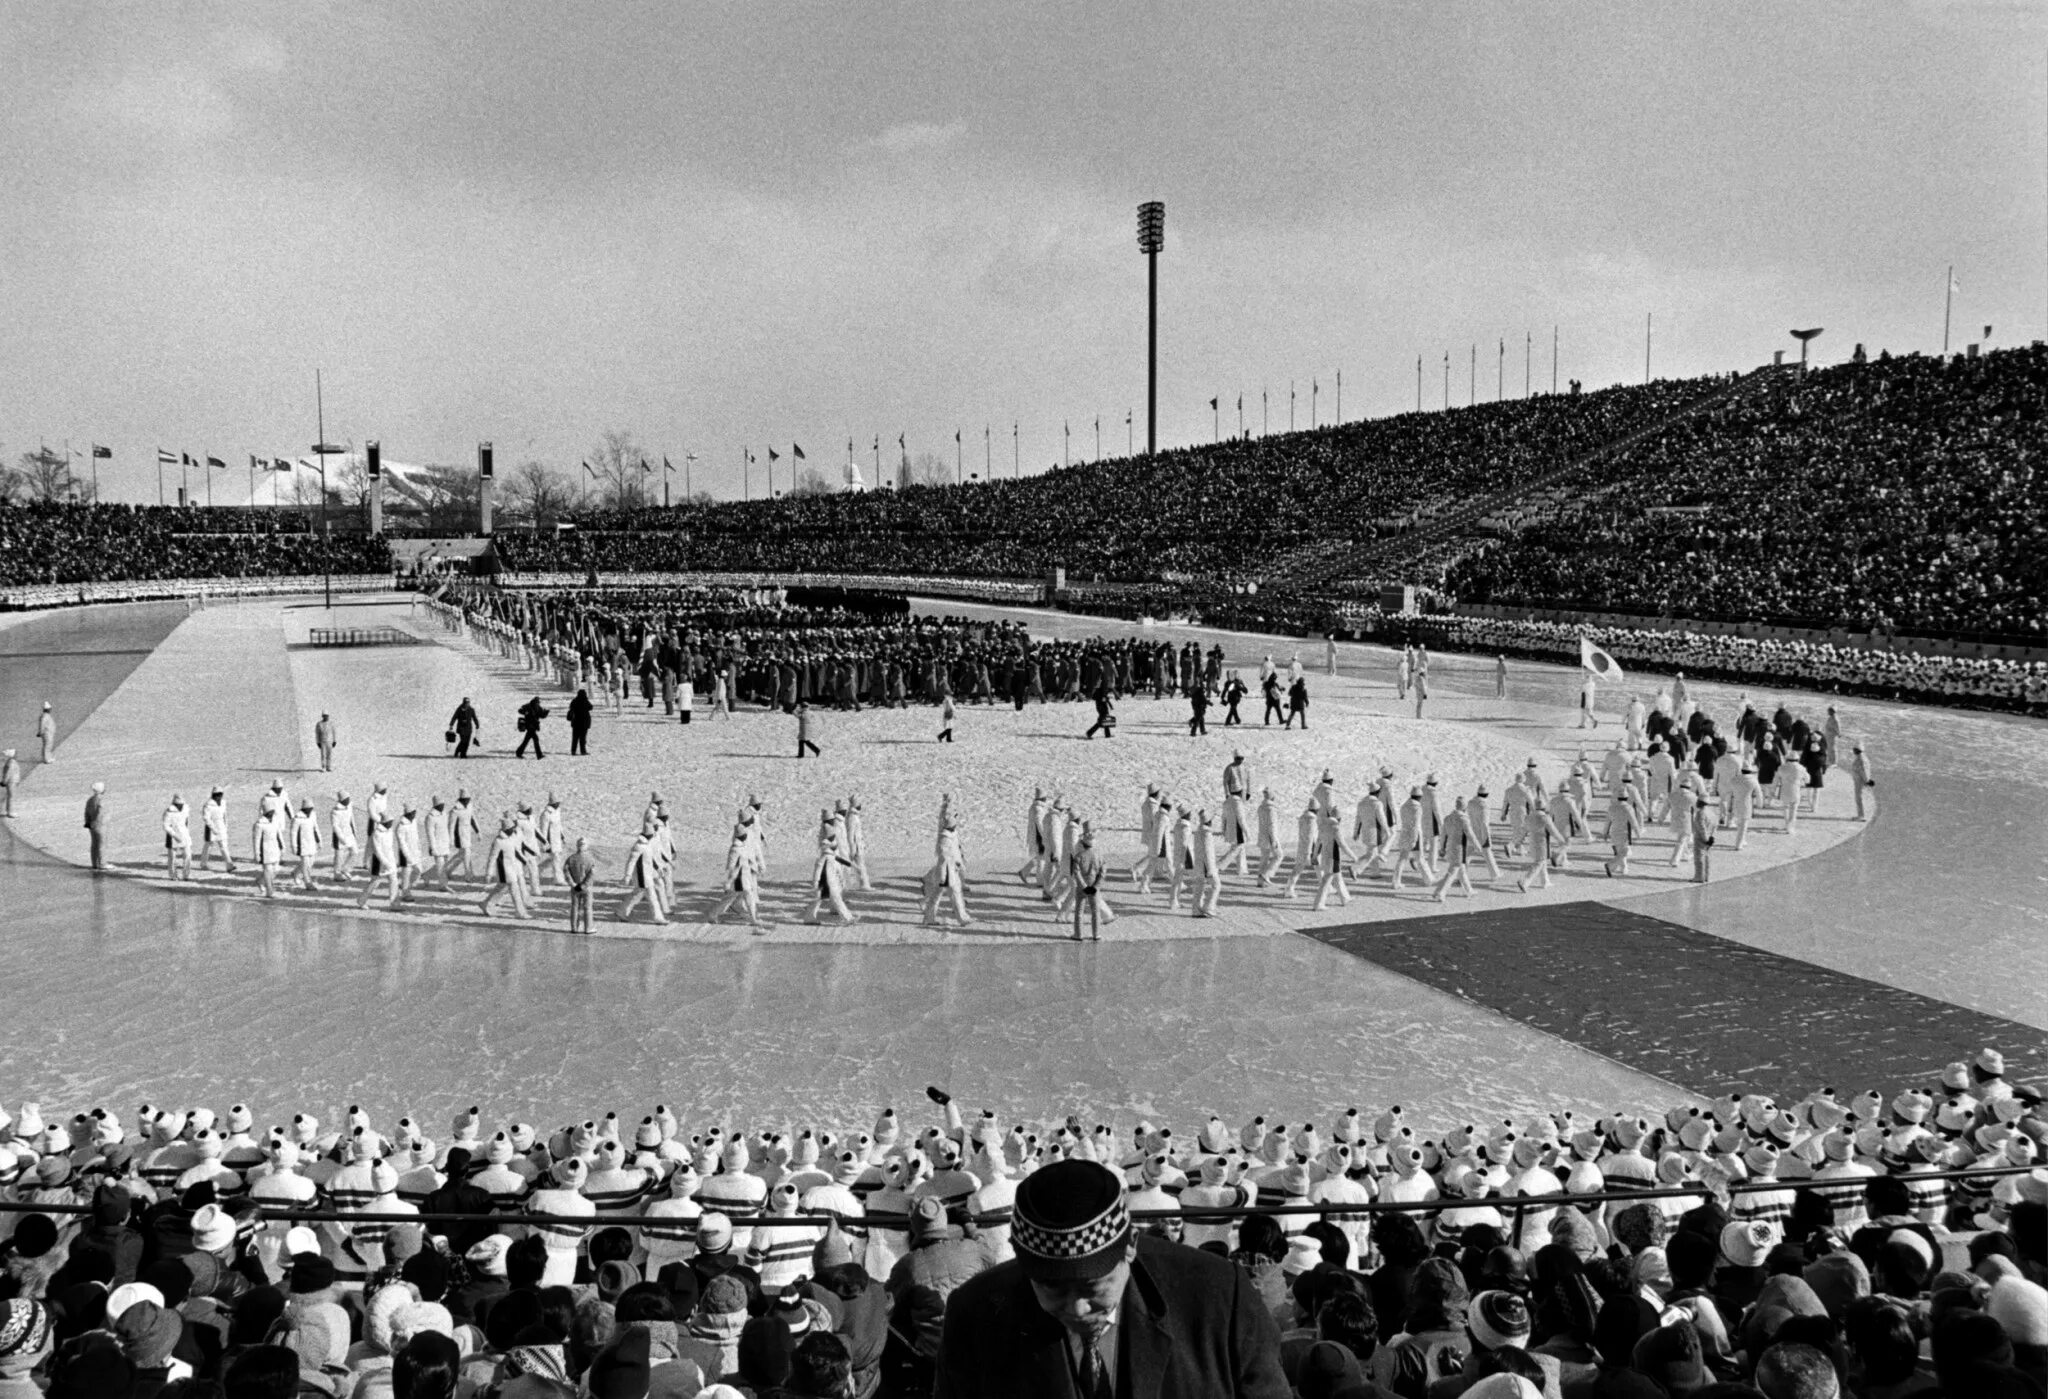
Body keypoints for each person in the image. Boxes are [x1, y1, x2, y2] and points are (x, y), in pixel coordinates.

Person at [934, 1157, 1289, 1399]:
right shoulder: (975, 1314)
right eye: (1051, 1287)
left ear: (1131, 1246)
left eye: (1092, 1285)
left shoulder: (1219, 1298)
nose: (1077, 1308)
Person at [923, 810, 972, 930]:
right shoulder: (945, 838)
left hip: (951, 871)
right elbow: (945, 856)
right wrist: (956, 864)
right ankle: (961, 918)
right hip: (946, 872)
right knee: (943, 895)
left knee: (952, 894)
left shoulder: (952, 835)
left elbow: (955, 853)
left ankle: (961, 918)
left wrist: (959, 864)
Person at [479, 818, 531, 919]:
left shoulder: (511, 838)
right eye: (512, 828)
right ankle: (520, 912)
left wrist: (524, 860)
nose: (514, 830)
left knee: (501, 888)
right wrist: (488, 873)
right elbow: (492, 858)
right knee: (514, 889)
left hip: (512, 868)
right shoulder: (498, 842)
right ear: (506, 829)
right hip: (503, 870)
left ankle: (486, 904)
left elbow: (516, 852)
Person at [618, 821, 669, 925]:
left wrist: (658, 868)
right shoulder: (639, 846)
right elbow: (631, 862)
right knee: (652, 897)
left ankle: (622, 912)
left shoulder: (647, 844)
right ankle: (658, 918)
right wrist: (627, 875)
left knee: (636, 895)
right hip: (642, 877)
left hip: (647, 875)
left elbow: (651, 859)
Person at [564, 836, 597, 933]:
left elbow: (566, 872)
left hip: (575, 887)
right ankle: (588, 928)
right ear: (586, 846)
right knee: (588, 907)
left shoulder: (570, 859)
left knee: (574, 907)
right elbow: (592, 874)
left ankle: (574, 927)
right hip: (586, 888)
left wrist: (572, 884)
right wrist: (584, 885)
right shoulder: (590, 859)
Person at [162, 793, 193, 880]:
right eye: (178, 805)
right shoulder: (169, 812)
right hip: (172, 837)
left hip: (184, 835)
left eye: (181, 804)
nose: (180, 806)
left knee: (188, 855)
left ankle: (186, 875)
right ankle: (173, 875)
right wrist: (174, 835)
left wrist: (186, 832)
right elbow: (165, 826)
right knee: (172, 857)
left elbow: (186, 821)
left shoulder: (186, 809)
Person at [1848, 743, 1875, 821]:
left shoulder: (1861, 760)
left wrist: (1867, 780)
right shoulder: (1860, 757)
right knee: (1858, 798)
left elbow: (1864, 771)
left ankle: (1861, 815)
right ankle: (1860, 814)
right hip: (1858, 780)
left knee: (1859, 798)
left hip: (1860, 781)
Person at [83, 781, 106, 870]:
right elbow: (100, 813)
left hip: (91, 825)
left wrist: (88, 822)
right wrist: (97, 822)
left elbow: (86, 812)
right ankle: (102, 863)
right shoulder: (101, 800)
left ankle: (95, 863)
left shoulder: (90, 800)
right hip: (100, 825)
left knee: (94, 844)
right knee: (102, 844)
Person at [568, 687, 594, 756]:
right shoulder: (585, 701)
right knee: (583, 738)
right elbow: (591, 707)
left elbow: (571, 707)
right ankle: (583, 751)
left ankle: (573, 751)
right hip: (584, 723)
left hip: (576, 722)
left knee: (575, 738)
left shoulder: (575, 700)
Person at [0, 749, 17, 818]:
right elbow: (8, 773)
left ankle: (9, 810)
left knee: (10, 796)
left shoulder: (10, 762)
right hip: (11, 781)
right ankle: (10, 812)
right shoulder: (11, 763)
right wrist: (4, 781)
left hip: (11, 781)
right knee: (11, 796)